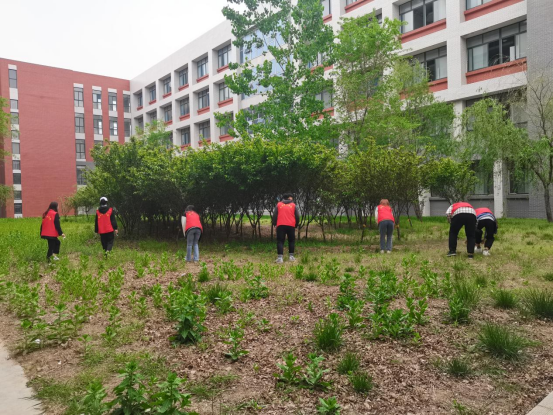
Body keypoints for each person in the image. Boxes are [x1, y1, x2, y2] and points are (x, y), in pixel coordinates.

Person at [272, 193, 300, 263]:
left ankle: (280, 258)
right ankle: (291, 257)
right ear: (289, 198)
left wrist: (274, 224)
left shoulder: (279, 204)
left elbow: (275, 215)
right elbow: (297, 216)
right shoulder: (293, 205)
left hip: (280, 225)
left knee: (280, 241)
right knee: (291, 241)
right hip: (291, 225)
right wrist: (296, 225)